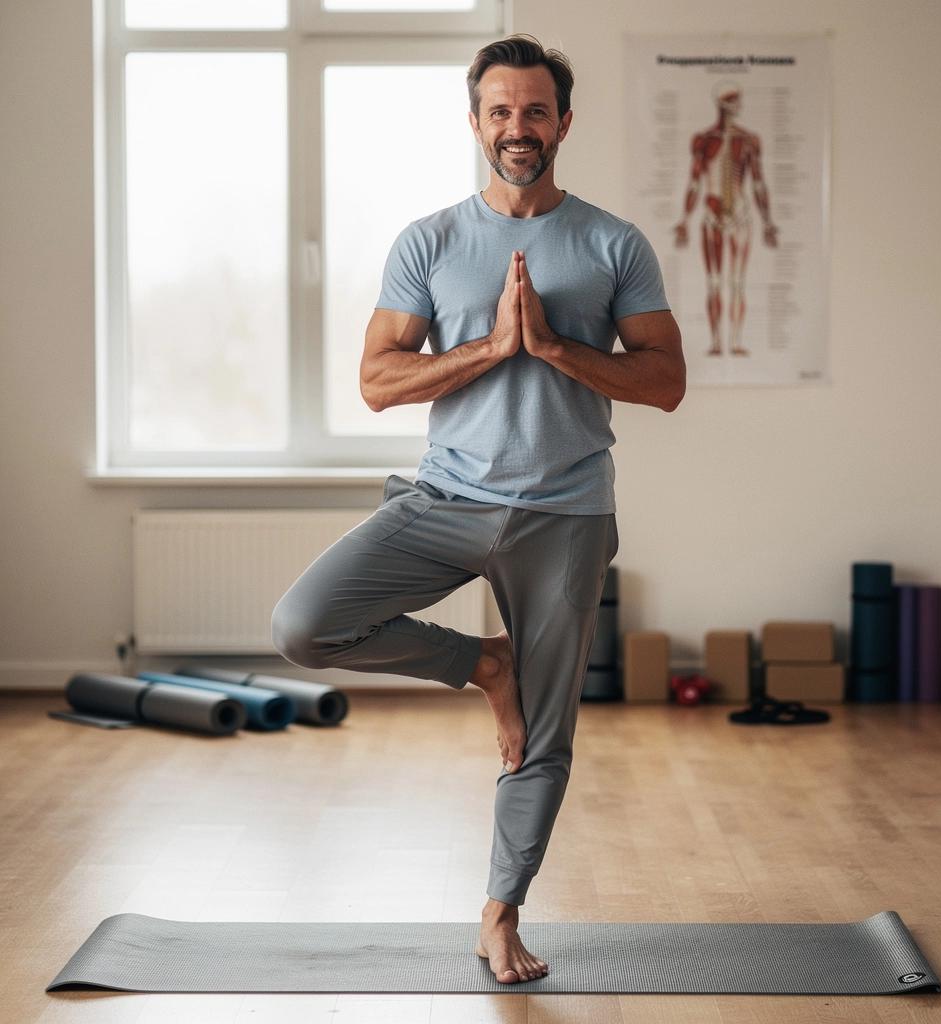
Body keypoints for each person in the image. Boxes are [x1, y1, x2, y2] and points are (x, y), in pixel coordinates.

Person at [271, 34, 685, 985]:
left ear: (564, 123)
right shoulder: (432, 241)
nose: (517, 128)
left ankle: (500, 915)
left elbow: (664, 382)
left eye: (535, 111)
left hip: (566, 512)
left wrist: (554, 349)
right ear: (474, 123)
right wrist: (493, 350)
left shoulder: (611, 243)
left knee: (546, 734)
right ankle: (480, 663)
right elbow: (377, 381)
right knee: (305, 624)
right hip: (447, 498)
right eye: (499, 111)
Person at [673, 81, 779, 356]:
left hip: (741, 215)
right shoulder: (704, 141)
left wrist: (767, 221)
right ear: (723, 104)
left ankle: (735, 340)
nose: (739, 106)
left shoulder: (748, 141)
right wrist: (684, 219)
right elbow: (695, 183)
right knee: (715, 282)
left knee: (738, 282)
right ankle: (717, 342)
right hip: (712, 216)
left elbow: (758, 183)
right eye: (734, 100)